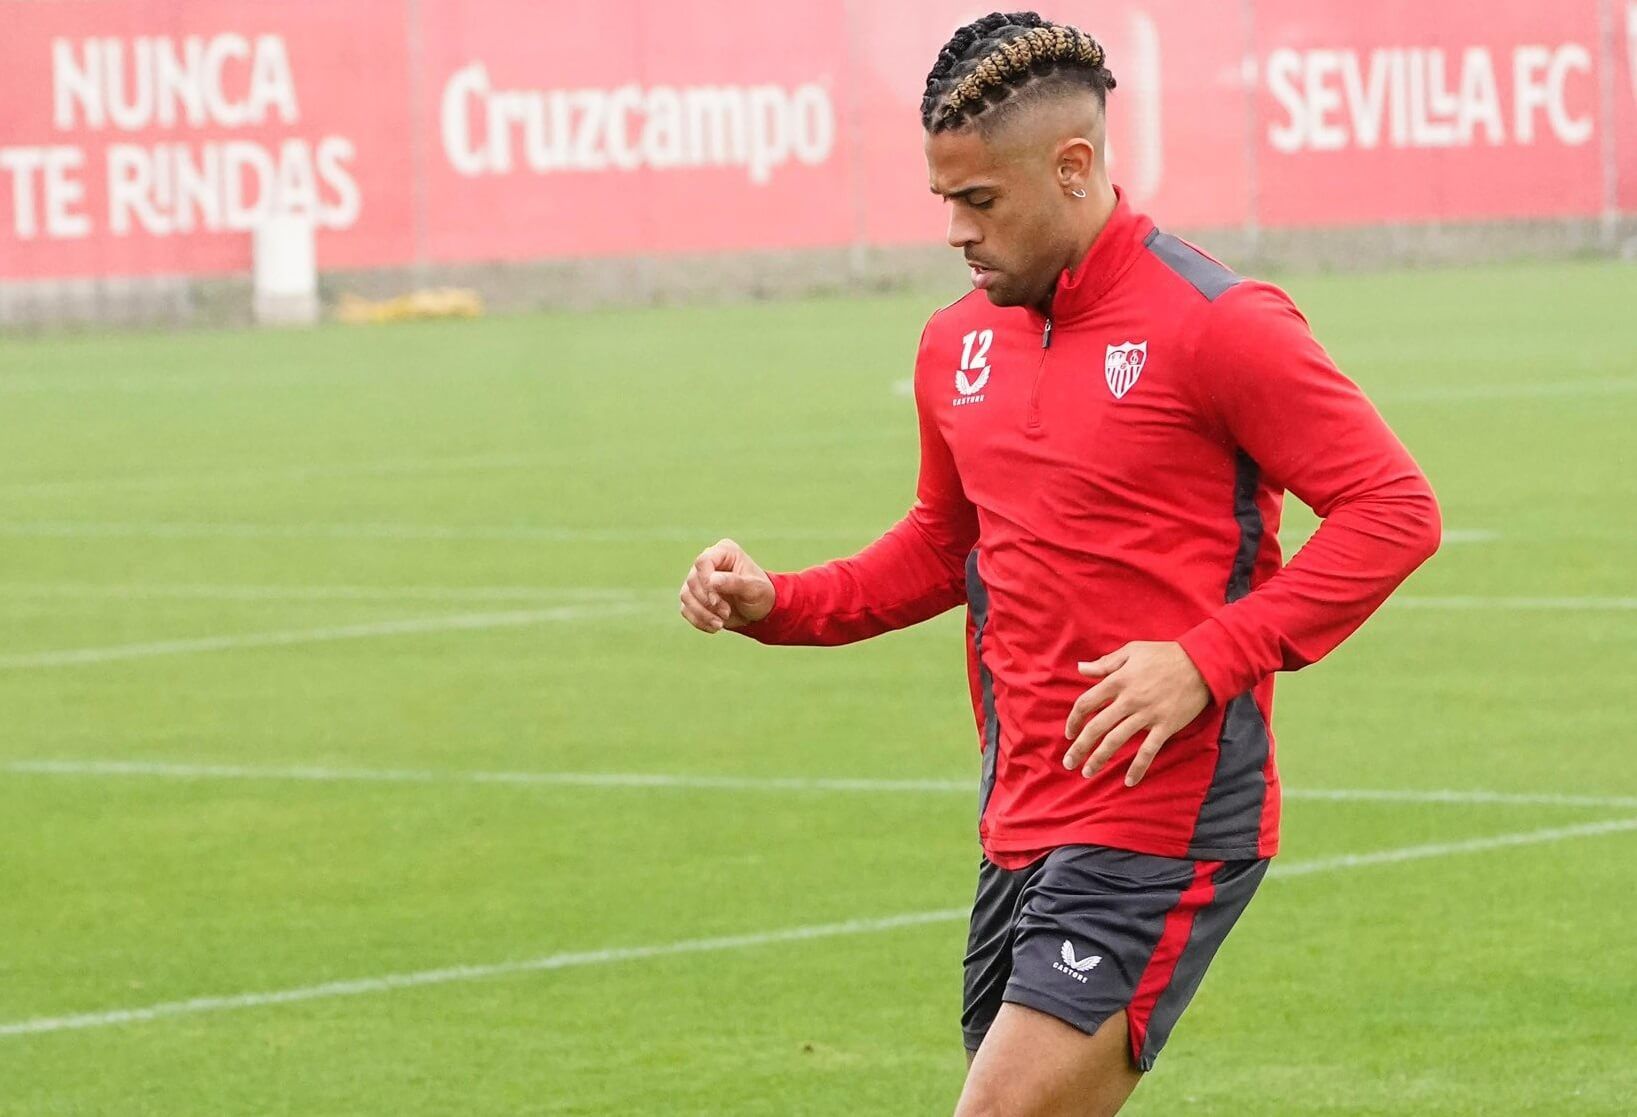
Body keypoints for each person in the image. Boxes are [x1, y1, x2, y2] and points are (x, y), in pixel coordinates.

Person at [677, 11, 1441, 1116]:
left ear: (1073, 166)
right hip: (1016, 813)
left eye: (978, 200)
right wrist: (776, 603)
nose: (952, 230)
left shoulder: (1218, 323)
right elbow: (944, 546)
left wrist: (1206, 656)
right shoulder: (955, 343)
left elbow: (1393, 509)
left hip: (1162, 816)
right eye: (942, 198)